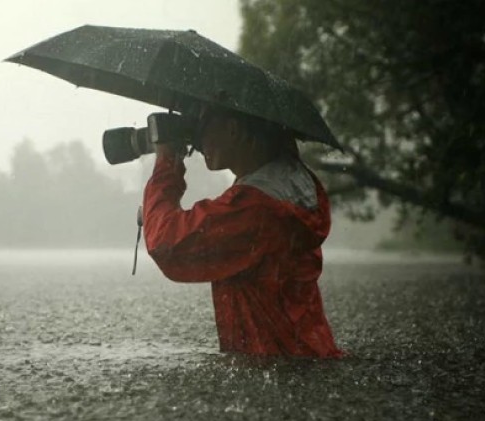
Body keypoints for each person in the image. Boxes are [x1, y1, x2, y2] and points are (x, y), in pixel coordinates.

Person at [142, 107, 344, 358]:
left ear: (233, 129)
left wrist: (166, 161)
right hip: (306, 354)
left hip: (272, 366)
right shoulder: (289, 184)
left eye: (203, 126)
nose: (198, 140)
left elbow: (167, 244)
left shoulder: (254, 208)